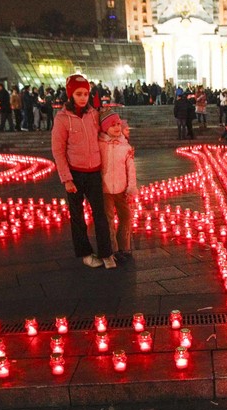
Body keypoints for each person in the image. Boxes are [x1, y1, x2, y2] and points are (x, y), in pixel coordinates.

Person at [52, 74, 116, 269]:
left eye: (86, 93)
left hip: (94, 172)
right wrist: (66, 179)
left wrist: (121, 134)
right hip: (75, 174)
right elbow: (58, 150)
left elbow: (108, 129)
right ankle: (86, 253)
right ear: (70, 94)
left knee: (101, 215)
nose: (83, 97)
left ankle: (106, 253)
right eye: (79, 93)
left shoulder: (93, 114)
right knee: (78, 216)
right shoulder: (62, 119)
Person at [99, 110, 137, 260]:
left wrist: (131, 187)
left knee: (126, 217)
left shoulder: (125, 147)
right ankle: (113, 249)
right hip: (105, 189)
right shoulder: (100, 145)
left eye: (118, 125)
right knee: (108, 220)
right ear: (104, 127)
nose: (116, 127)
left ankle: (125, 247)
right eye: (112, 125)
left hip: (122, 190)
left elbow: (131, 169)